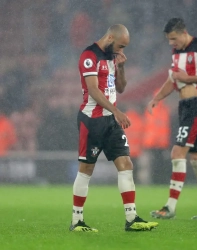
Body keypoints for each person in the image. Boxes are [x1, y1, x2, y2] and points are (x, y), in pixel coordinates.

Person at [69, 24, 158, 232]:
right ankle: (76, 221)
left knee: (126, 163)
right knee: (86, 170)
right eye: (120, 46)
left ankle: (132, 218)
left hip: (110, 121)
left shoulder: (111, 58)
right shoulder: (89, 55)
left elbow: (120, 88)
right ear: (110, 37)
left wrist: (122, 67)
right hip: (91, 121)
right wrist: (117, 111)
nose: (121, 51)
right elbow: (92, 90)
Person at [148, 18, 197, 220]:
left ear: (183, 33)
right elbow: (172, 80)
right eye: (168, 40)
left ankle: (170, 207)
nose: (171, 43)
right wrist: (157, 98)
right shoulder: (176, 53)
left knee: (177, 152)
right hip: (185, 107)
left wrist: (189, 79)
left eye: (173, 38)